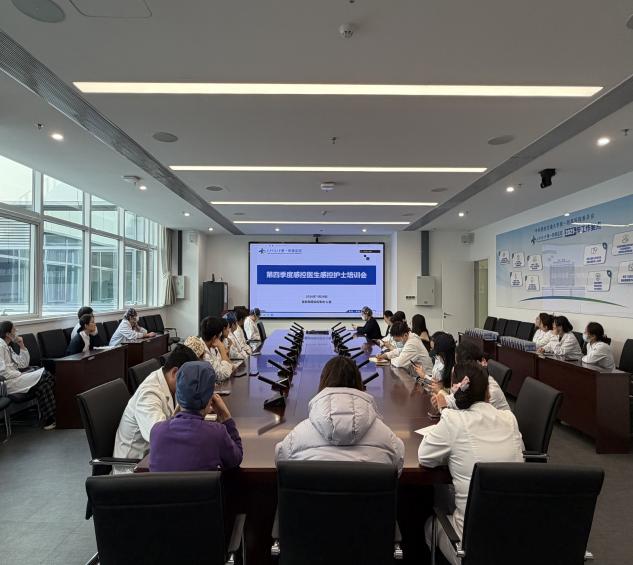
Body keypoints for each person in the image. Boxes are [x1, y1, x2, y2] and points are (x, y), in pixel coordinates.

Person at [418, 362, 524, 564]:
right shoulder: (509, 419)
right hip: (514, 537)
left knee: (430, 523)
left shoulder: (453, 420)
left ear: (454, 391)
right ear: (488, 393)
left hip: (469, 547)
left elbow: (425, 457)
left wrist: (445, 411)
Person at [275, 356, 405, 474]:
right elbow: (397, 469)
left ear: (323, 383)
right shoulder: (389, 440)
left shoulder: (296, 438)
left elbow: (281, 464)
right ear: (359, 383)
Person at [113, 344, 198, 470]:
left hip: (155, 457)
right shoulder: (149, 394)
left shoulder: (169, 382)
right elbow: (161, 438)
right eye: (189, 379)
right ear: (175, 373)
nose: (190, 384)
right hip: (135, 468)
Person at [149, 361, 243, 472]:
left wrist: (174, 417)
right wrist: (226, 418)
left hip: (164, 485)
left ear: (178, 396)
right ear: (210, 399)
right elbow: (236, 459)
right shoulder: (216, 433)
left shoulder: (156, 431)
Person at [0, 321, 56, 429]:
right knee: (45, 374)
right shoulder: (0, 346)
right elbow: (2, 372)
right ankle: (54, 415)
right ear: (8, 334)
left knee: (43, 385)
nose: (16, 331)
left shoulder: (7, 346)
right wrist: (19, 374)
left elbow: (23, 364)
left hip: (16, 378)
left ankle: (51, 419)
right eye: (14, 330)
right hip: (7, 384)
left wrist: (21, 345)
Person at [434, 341, 510, 411]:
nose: (458, 370)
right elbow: (455, 399)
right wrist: (443, 399)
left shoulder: (489, 391)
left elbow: (467, 413)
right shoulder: (470, 381)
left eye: (461, 366)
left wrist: (441, 394)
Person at [200, 316, 233, 382]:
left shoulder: (211, 347)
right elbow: (224, 374)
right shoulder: (203, 353)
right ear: (214, 338)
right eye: (219, 336)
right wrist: (222, 348)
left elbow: (228, 365)